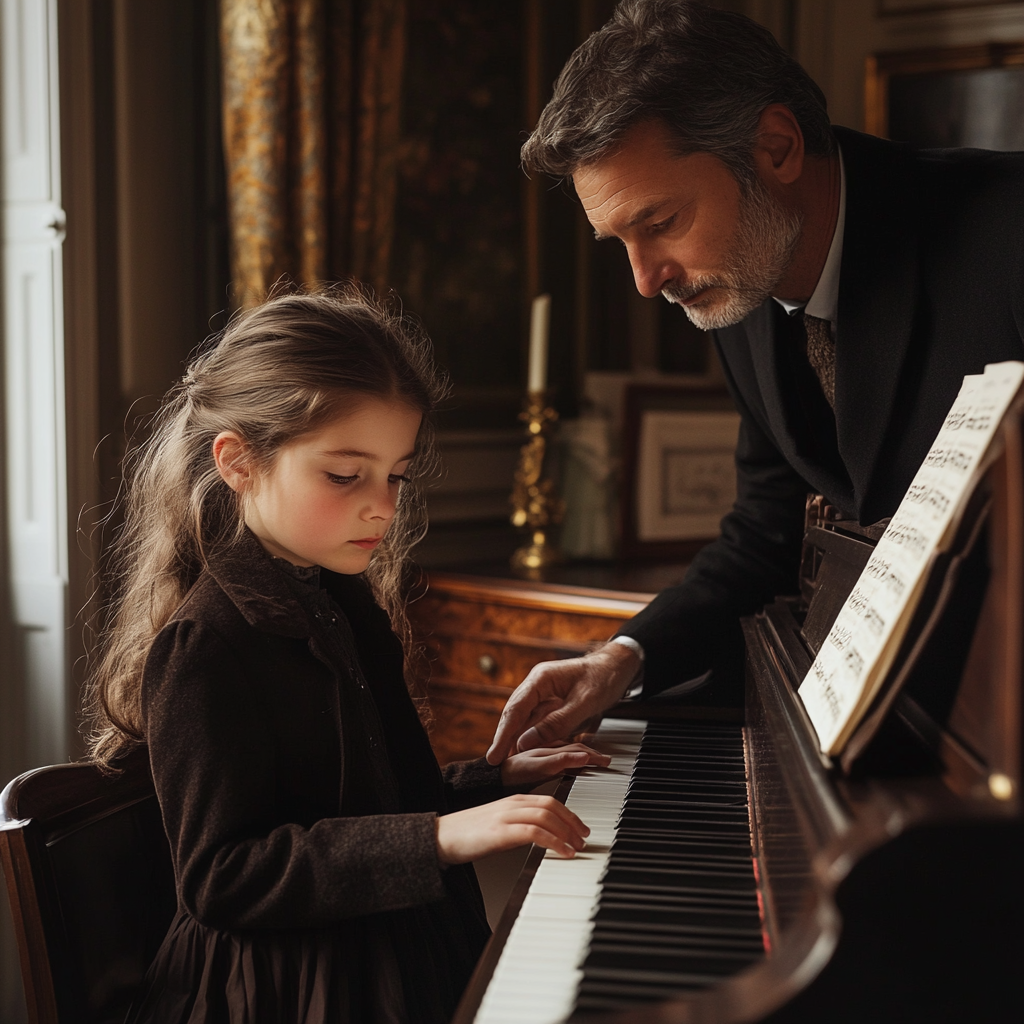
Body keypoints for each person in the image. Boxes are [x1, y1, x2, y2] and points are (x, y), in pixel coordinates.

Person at [486, 0, 1024, 765]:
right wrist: (626, 656)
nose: (645, 281)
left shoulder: (1008, 233)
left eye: (661, 221)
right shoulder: (741, 281)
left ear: (775, 147)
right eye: (620, 243)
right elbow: (765, 535)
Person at [84, 287, 610, 1024]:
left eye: (395, 475)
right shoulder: (204, 642)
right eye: (344, 475)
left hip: (380, 950)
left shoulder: (340, 600)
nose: (384, 507)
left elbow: (365, 802)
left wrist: (491, 783)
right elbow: (222, 877)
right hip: (283, 987)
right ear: (238, 462)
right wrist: (437, 838)